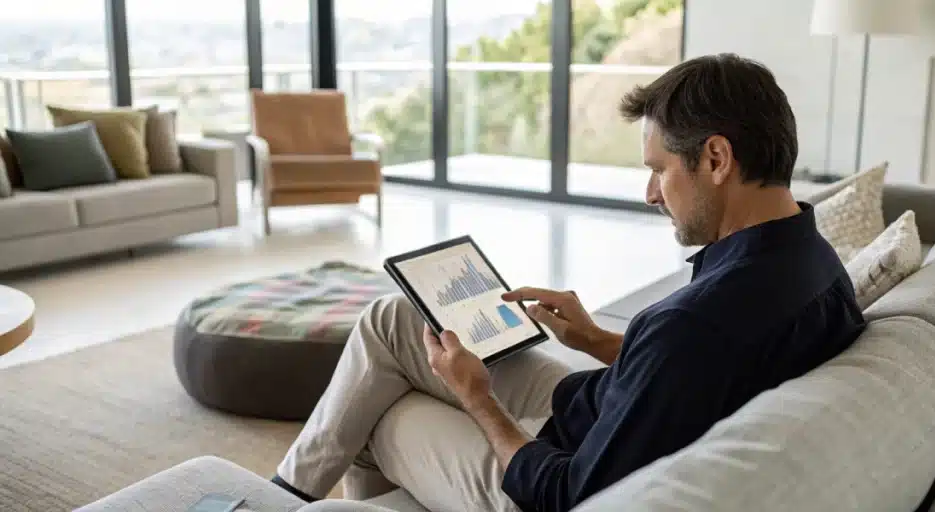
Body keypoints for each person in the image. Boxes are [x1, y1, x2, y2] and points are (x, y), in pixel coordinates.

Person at [270, 53, 867, 511]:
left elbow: (568, 498)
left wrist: (478, 399)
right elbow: (690, 377)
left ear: (715, 159)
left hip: (542, 477)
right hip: (593, 409)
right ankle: (284, 493)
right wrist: (599, 342)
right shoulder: (815, 262)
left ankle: (278, 499)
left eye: (660, 169)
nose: (651, 193)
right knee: (393, 317)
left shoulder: (698, 323)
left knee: (380, 408)